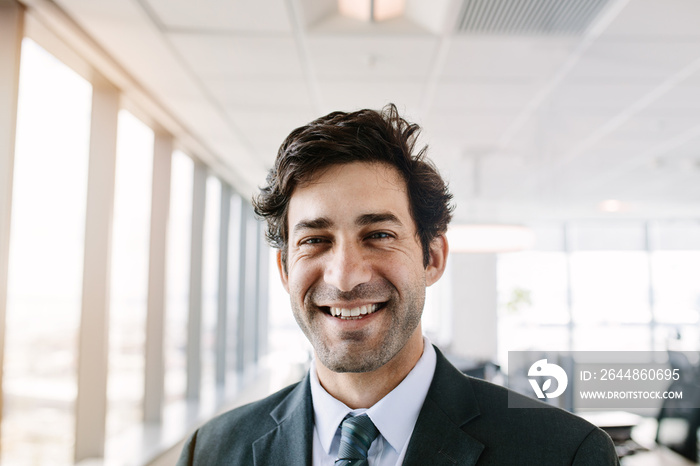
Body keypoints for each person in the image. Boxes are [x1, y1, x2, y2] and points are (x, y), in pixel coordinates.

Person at [177, 104, 619, 465]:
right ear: (285, 270)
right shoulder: (212, 452)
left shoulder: (564, 454)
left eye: (379, 235)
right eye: (315, 240)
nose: (346, 276)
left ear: (433, 257)